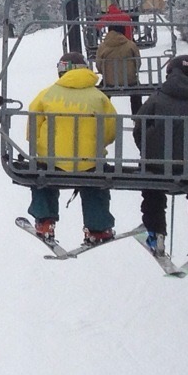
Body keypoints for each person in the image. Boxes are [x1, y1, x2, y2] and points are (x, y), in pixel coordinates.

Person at [25, 50, 119, 245]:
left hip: (52, 162)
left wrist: (40, 146)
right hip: (89, 163)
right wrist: (96, 145)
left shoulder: (46, 95)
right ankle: (98, 228)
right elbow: (111, 131)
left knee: (41, 177)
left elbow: (32, 129)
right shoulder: (100, 98)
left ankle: (45, 221)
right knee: (95, 183)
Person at [136, 53, 188, 258]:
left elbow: (139, 127)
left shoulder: (156, 99)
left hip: (157, 166)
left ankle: (155, 235)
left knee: (152, 189)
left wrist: (147, 151)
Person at [94, 12, 141, 103]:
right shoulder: (131, 45)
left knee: (102, 95)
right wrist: (133, 72)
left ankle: (104, 109)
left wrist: (105, 73)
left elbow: (98, 65)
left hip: (109, 81)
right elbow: (137, 62)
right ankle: (137, 110)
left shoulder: (102, 47)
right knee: (137, 93)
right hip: (130, 81)